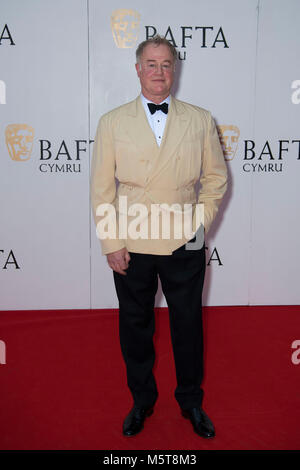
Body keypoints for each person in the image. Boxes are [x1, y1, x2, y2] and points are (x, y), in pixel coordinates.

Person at [91, 35, 227, 438]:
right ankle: (142, 400)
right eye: (151, 64)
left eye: (166, 64)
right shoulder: (112, 122)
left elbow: (216, 180)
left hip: (185, 239)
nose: (159, 72)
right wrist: (111, 242)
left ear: (175, 69)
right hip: (131, 242)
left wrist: (197, 225)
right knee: (135, 325)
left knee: (187, 325)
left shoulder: (200, 119)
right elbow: (102, 190)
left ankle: (190, 401)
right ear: (137, 69)